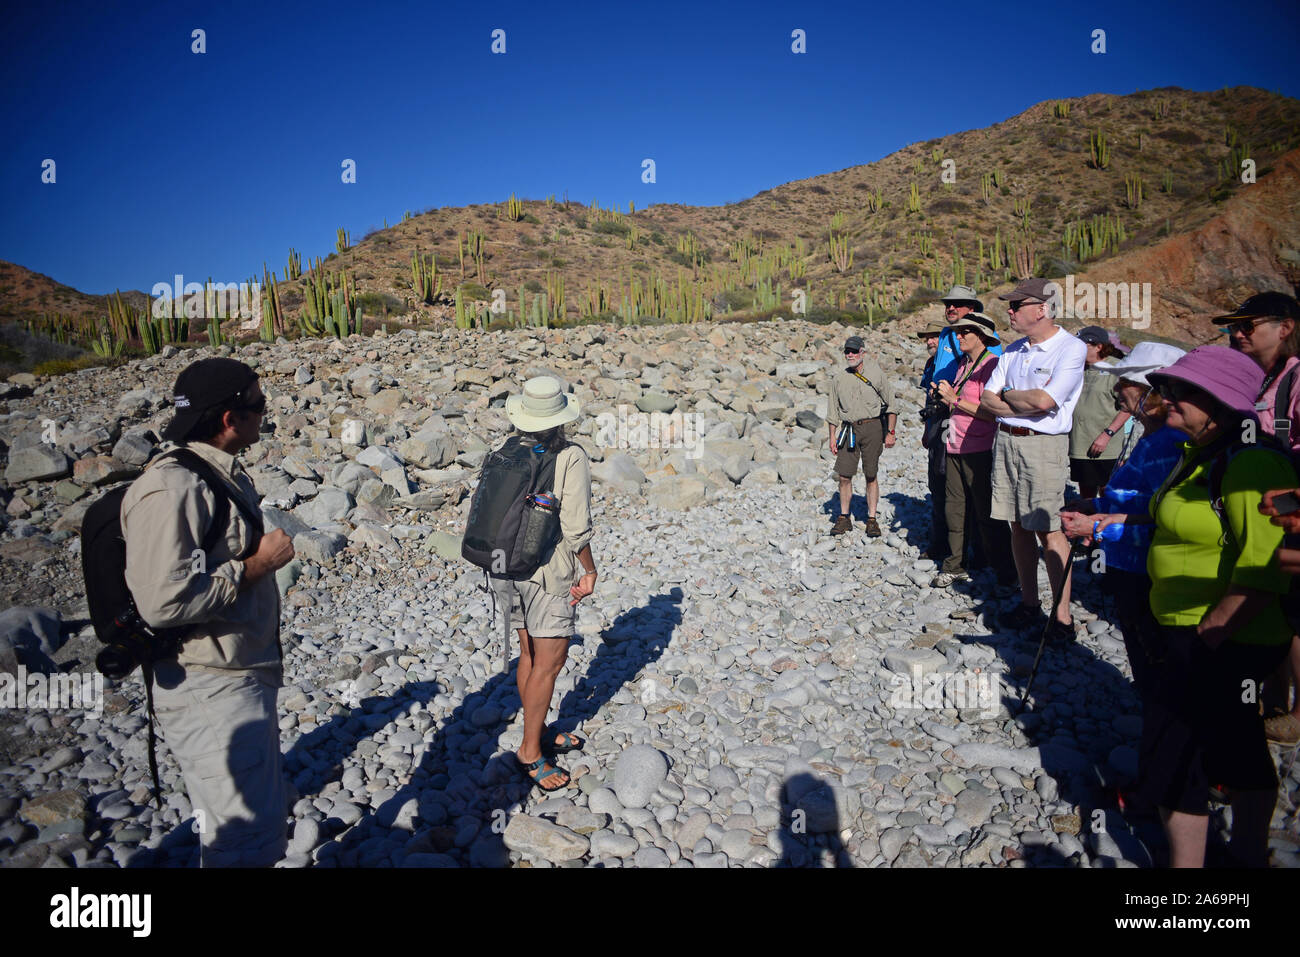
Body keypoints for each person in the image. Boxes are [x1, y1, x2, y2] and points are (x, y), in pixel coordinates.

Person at [1120, 346, 1295, 868]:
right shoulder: (1200, 452)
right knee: (1234, 745)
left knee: (1182, 758)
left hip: (1222, 638)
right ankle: (1243, 858)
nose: (1166, 398)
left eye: (1182, 390)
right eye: (1166, 388)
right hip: (1199, 632)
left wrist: (1210, 632)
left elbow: (1266, 564)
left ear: (1220, 401)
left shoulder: (1252, 462)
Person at [121, 358, 294, 866]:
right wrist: (257, 566)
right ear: (229, 417)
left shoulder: (215, 475)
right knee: (244, 842)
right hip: (208, 683)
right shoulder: (174, 486)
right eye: (259, 403)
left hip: (234, 672)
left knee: (250, 831)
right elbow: (162, 600)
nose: (265, 412)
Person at [1058, 342, 1187, 699]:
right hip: (1131, 564)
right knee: (1143, 652)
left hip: (1146, 570)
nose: (1117, 388)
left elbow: (1164, 519)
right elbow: (1139, 500)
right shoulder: (1151, 434)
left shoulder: (1168, 442)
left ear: (1152, 391)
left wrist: (1097, 527)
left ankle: (1159, 716)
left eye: (1125, 382)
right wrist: (1096, 504)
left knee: (1155, 658)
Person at [488, 376, 597, 792]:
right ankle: (530, 751)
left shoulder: (505, 450)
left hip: (503, 567)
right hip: (547, 573)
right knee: (549, 664)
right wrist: (589, 570)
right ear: (561, 417)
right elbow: (575, 528)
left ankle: (538, 729)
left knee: (529, 654)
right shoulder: (570, 456)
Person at [978, 278, 1087, 641]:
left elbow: (1046, 401)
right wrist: (1021, 402)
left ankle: (1062, 618)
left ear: (1041, 309)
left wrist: (1009, 396)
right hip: (1007, 442)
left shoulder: (1070, 348)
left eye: (1016, 305)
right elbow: (987, 399)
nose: (1009, 311)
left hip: (1043, 446)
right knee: (1018, 525)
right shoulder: (1012, 350)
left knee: (1049, 529)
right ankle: (1030, 603)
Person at [1218, 291, 1300, 746]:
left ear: (1285, 328)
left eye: (1248, 325)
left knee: (1295, 611)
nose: (1237, 333)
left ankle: (1298, 715)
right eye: (1234, 326)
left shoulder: (1297, 380)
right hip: (1259, 511)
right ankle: (1272, 698)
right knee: (1273, 608)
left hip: (1289, 515)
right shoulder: (1259, 379)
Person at [931, 313, 1016, 590]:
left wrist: (954, 399)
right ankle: (954, 565)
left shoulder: (991, 366)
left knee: (987, 513)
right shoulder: (963, 364)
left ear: (980, 335)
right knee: (954, 508)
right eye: (957, 332)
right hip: (955, 444)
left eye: (964, 332)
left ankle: (1007, 572)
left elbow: (993, 414)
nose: (958, 336)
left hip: (980, 448)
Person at [827, 335, 897, 537]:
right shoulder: (838, 379)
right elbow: (832, 411)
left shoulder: (877, 374)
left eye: (854, 351)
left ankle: (872, 519)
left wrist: (891, 432)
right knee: (844, 475)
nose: (850, 355)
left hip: (872, 428)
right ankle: (844, 517)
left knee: (871, 474)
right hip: (848, 430)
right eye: (847, 351)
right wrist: (832, 437)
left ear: (862, 352)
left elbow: (892, 405)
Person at [1069, 326, 1133, 500]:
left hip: (1106, 445)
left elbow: (1129, 406)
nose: (1076, 349)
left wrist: (1107, 434)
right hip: (1079, 442)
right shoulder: (1075, 367)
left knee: (1108, 491)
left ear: (1098, 346)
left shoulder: (1117, 368)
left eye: (1082, 345)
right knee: (1086, 492)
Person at [916, 326, 950, 561]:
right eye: (927, 338)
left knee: (946, 481)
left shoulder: (953, 364)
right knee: (936, 483)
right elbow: (927, 397)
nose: (929, 341)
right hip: (935, 428)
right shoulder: (931, 364)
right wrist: (926, 429)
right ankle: (940, 541)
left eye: (934, 337)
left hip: (949, 427)